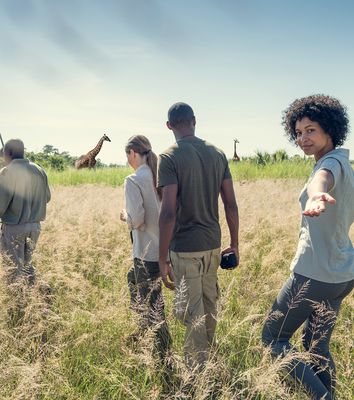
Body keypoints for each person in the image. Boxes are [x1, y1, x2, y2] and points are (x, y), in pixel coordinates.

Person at [262, 95, 354, 400]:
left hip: (315, 273)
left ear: (330, 130)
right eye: (299, 132)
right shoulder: (343, 161)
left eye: (311, 130)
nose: (303, 138)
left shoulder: (328, 165)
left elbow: (321, 181)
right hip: (341, 274)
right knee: (316, 346)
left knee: (273, 337)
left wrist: (316, 196)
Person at [157, 102, 239, 370]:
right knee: (207, 305)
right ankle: (208, 358)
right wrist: (234, 244)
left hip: (184, 248)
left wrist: (161, 259)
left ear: (169, 125)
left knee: (190, 313)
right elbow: (230, 204)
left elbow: (168, 212)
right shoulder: (217, 153)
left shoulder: (168, 157)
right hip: (213, 245)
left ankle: (197, 373)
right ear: (194, 120)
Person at [120, 135, 171, 358]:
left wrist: (125, 216)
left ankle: (162, 352)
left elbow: (137, 219)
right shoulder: (160, 176)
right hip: (164, 251)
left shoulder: (133, 180)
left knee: (154, 307)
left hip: (145, 252)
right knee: (134, 280)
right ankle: (143, 331)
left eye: (127, 155)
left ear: (132, 153)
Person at [0, 139, 51, 285]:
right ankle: (35, 296)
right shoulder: (39, 170)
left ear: (8, 153)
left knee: (13, 269)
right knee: (27, 266)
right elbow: (47, 198)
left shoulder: (7, 172)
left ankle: (19, 303)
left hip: (14, 228)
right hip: (35, 227)